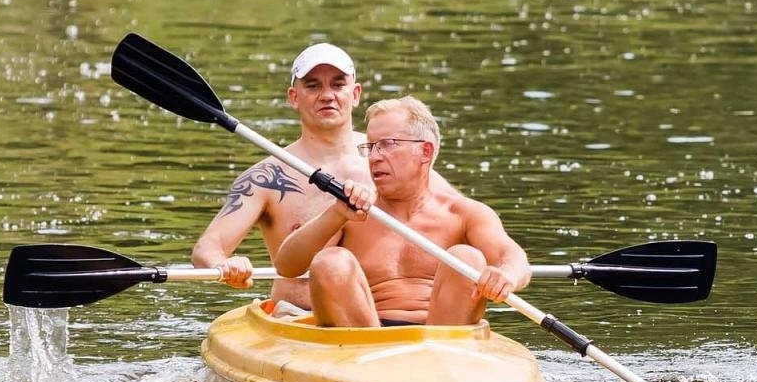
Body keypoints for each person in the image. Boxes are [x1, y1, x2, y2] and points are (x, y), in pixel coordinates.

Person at [274, 95, 530, 327]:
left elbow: (514, 257)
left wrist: (506, 275)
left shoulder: (465, 214)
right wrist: (336, 213)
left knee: (467, 257)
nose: (374, 157)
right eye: (371, 146)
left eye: (388, 144)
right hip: (361, 337)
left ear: (425, 151)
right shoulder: (351, 210)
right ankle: (369, 366)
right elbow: (286, 266)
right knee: (330, 262)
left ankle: (440, 361)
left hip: (443, 339)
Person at [190, 43, 372, 309]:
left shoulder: (389, 159)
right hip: (296, 320)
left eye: (337, 84)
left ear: (355, 94)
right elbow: (206, 248)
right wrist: (224, 264)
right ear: (294, 97)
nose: (326, 95)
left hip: (382, 322)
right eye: (312, 86)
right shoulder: (266, 177)